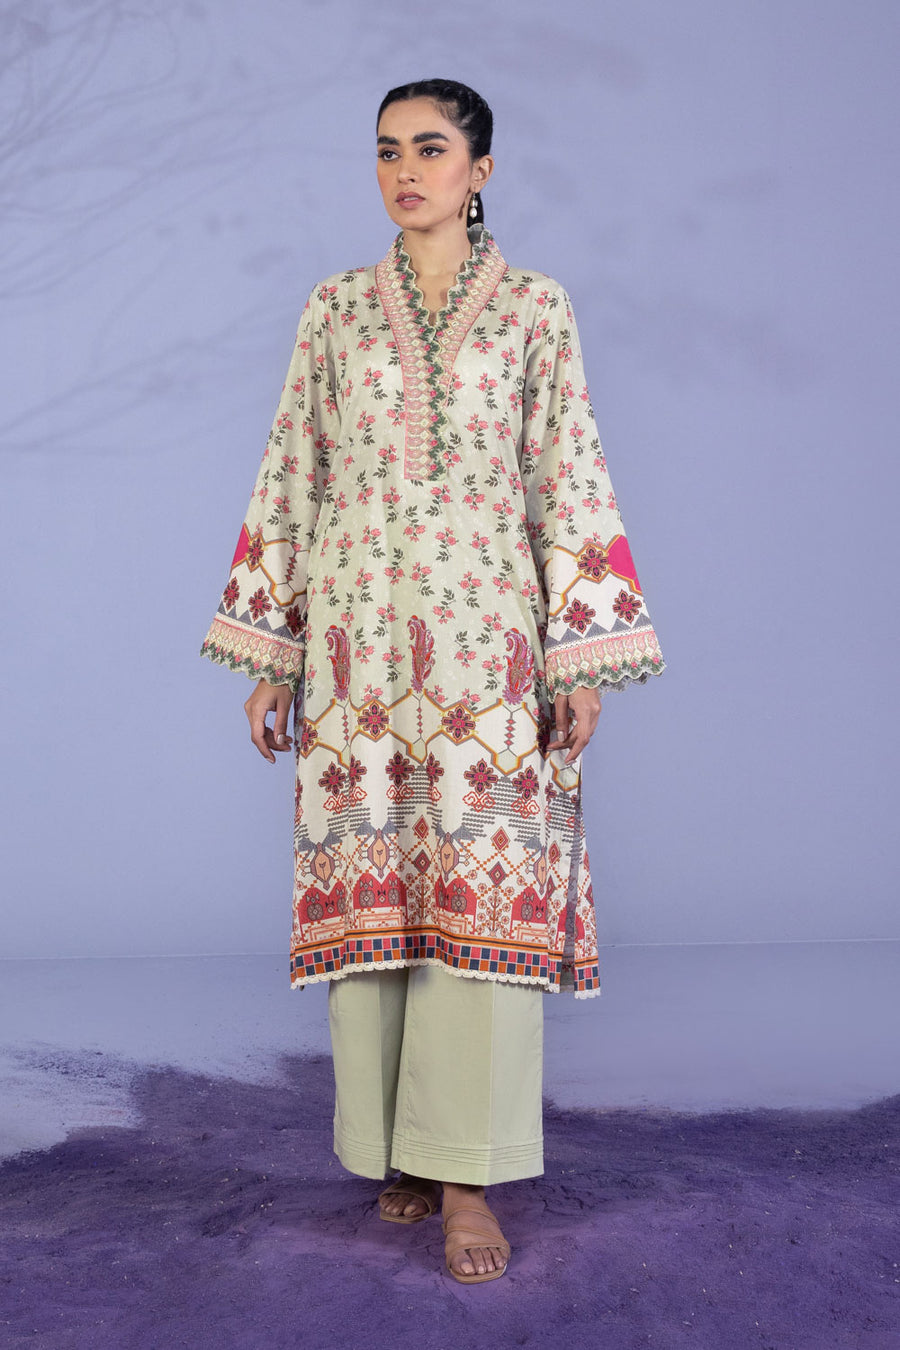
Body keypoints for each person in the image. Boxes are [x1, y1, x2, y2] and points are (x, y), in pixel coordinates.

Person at [201, 78, 665, 1284]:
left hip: (488, 654)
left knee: (477, 901)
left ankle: (469, 1179)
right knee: (378, 900)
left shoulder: (536, 309)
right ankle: (400, 1152)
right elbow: (292, 474)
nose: (405, 171)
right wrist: (273, 654)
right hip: (356, 654)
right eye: (386, 152)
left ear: (481, 170)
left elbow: (569, 476)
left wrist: (581, 655)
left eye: (430, 149)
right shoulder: (336, 309)